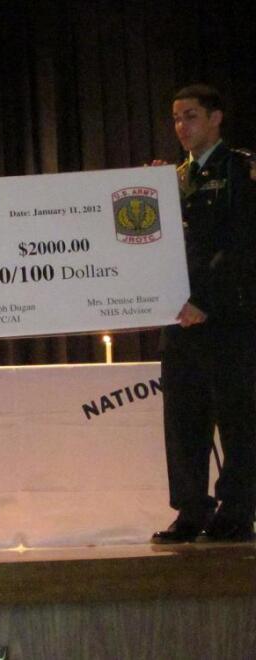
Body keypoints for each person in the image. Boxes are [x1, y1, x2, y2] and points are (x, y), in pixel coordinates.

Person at [151, 84, 256, 544]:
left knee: (237, 416)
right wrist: (153, 194)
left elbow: (242, 244)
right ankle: (191, 509)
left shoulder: (240, 169)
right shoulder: (172, 176)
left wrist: (205, 301)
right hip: (178, 316)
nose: (181, 126)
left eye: (190, 116)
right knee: (183, 417)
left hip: (227, 315)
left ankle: (237, 510)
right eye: (176, 118)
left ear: (216, 118)